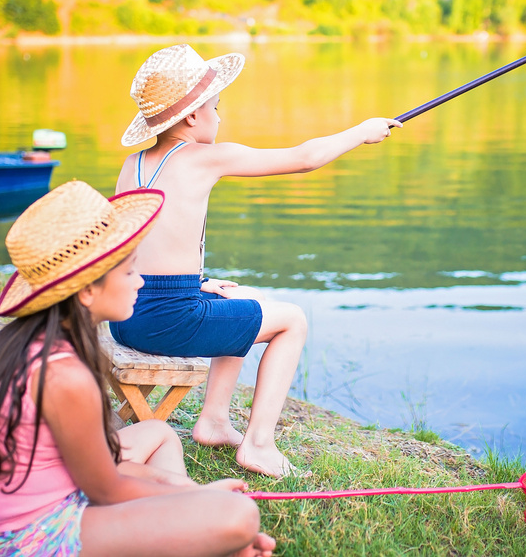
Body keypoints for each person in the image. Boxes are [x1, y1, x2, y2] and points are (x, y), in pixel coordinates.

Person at [110, 44, 401, 478]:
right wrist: (362, 131)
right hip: (165, 321)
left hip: (130, 312)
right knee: (293, 321)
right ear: (192, 117)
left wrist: (197, 283)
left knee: (239, 297)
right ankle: (260, 445)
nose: (220, 116)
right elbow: (304, 159)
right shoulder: (205, 157)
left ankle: (214, 421)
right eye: (216, 106)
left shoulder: (132, 165)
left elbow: (136, 247)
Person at [0, 180, 275, 557]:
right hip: (35, 534)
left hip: (37, 497)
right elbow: (106, 488)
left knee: (158, 432)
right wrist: (199, 501)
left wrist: (186, 495)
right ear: (87, 291)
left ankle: (187, 532)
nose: (141, 282)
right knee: (239, 516)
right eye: (131, 272)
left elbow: (101, 462)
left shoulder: (12, 346)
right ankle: (192, 532)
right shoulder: (66, 376)